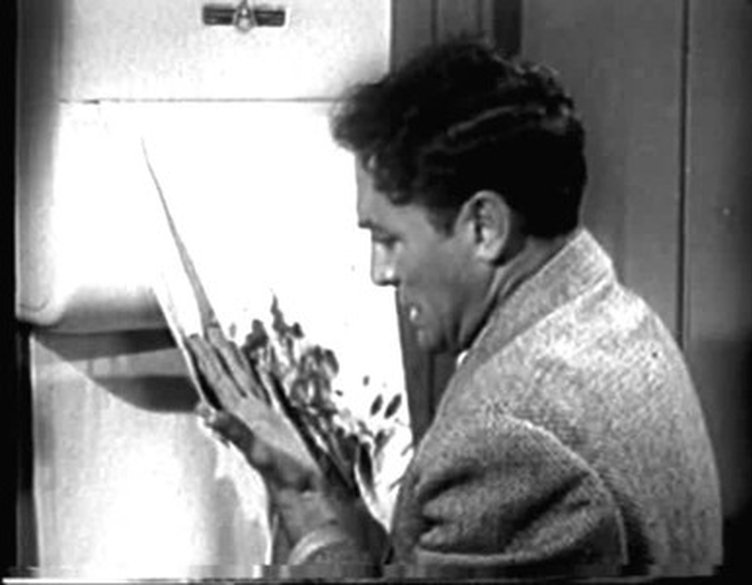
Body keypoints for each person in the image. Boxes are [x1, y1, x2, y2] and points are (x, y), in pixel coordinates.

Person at [185, 38, 722, 577]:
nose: (380, 272)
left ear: (484, 227)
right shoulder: (614, 317)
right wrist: (302, 492)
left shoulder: (508, 437)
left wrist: (304, 509)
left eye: (389, 239)